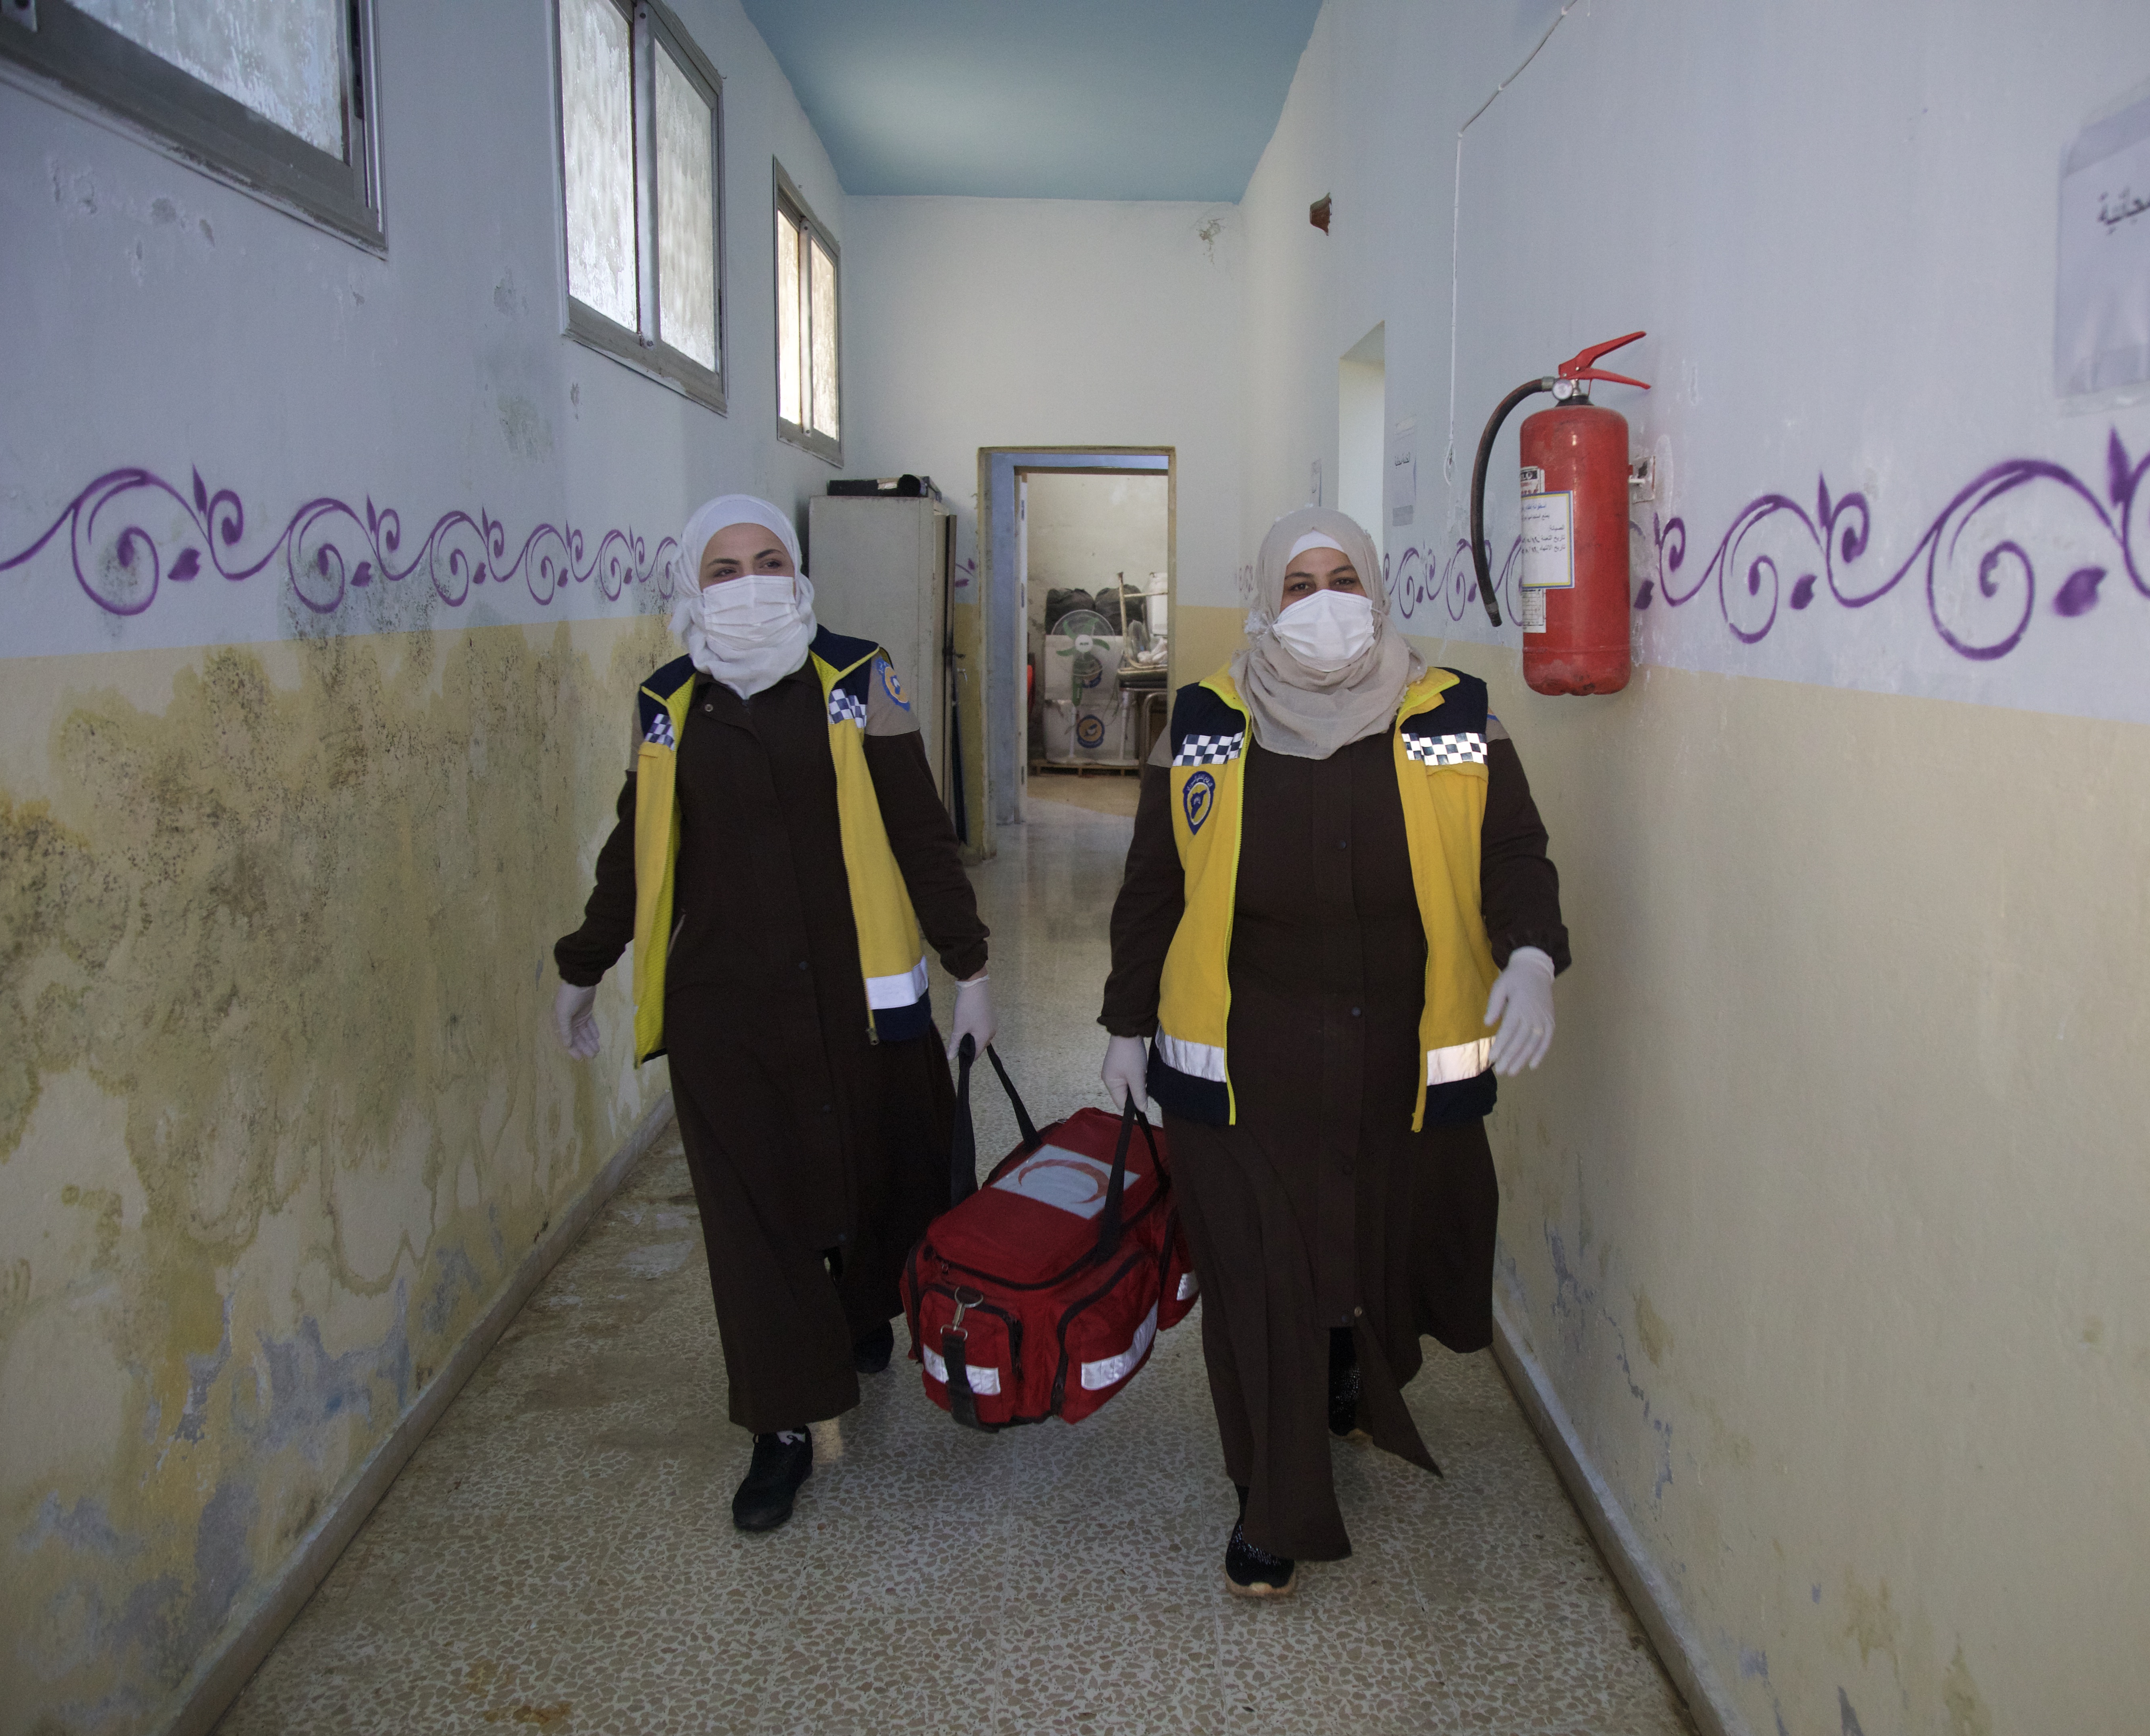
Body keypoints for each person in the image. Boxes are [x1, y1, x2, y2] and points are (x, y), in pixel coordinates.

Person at [1097, 506, 1567, 1597]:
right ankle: (1272, 1501)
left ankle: (1348, 1360)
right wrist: (1126, 1022)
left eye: (1342, 580)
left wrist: (1532, 953)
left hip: (1395, 1047)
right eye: (1298, 585)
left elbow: (1512, 852)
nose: (1323, 604)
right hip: (1237, 1052)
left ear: (1378, 590)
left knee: (1367, 1244)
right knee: (1257, 1274)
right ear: (1265, 601)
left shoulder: (1451, 711)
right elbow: (1154, 884)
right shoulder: (1205, 720)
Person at [548, 495, 995, 1534]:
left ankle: (863, 1306)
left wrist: (969, 964)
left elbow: (920, 829)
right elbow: (635, 849)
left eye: (767, 562)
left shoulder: (859, 677)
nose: (748, 584)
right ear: (690, 586)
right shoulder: (667, 703)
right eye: (723, 568)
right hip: (726, 1012)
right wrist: (583, 965)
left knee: (875, 1173)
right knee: (753, 1222)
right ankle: (783, 1426)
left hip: (859, 997)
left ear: (797, 573)